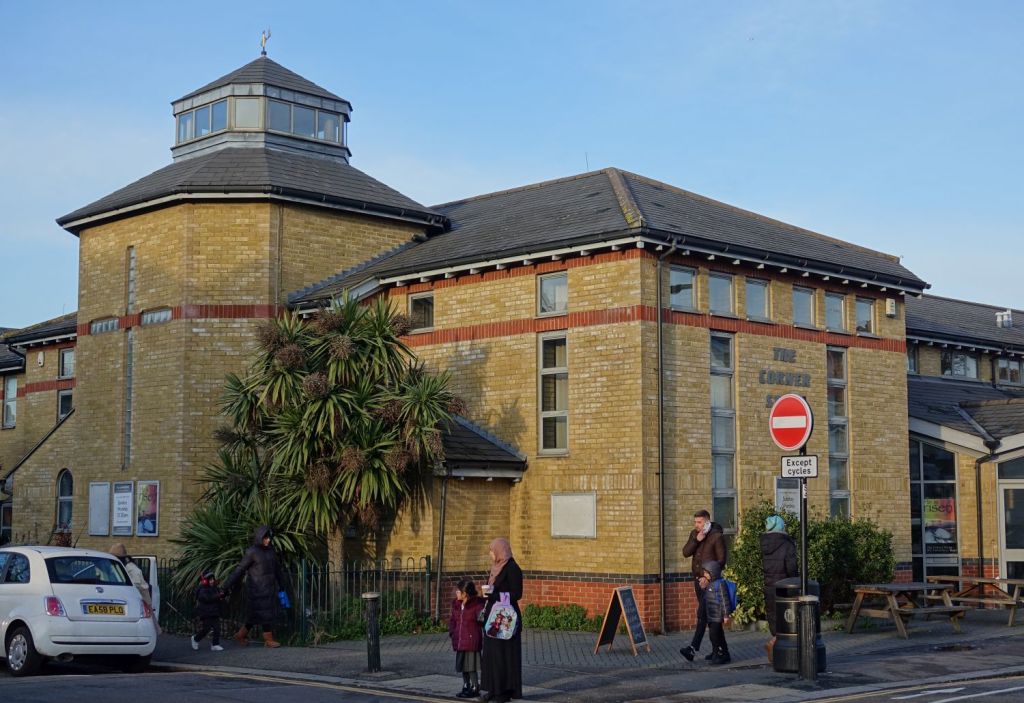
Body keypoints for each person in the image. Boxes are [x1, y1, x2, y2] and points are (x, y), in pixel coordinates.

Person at [221, 525, 288, 648]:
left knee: (254, 616)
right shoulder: (252, 552)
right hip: (257, 590)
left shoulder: (271, 550)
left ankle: (240, 635)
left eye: (269, 537)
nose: (268, 540)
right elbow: (239, 570)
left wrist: (282, 585)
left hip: (269, 588)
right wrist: (226, 587)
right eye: (265, 538)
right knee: (264, 614)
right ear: (259, 537)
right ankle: (269, 640)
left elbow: (277, 569)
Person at [679, 509, 727, 662]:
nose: (696, 525)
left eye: (699, 522)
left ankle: (694, 649)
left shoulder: (716, 536)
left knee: (705, 615)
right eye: (695, 522)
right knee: (709, 616)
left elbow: (721, 561)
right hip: (698, 582)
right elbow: (685, 552)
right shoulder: (695, 534)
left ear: (707, 522)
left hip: (711, 583)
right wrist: (696, 540)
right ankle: (720, 651)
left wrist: (708, 576)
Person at [480, 538, 523, 703]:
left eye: (492, 550)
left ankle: (504, 692)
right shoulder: (495, 568)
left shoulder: (512, 568)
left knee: (503, 656)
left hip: (506, 620)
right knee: (491, 655)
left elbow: (517, 593)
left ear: (500, 551)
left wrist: (496, 595)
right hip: (493, 619)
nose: (490, 554)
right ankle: (493, 689)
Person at [760, 514, 798, 662]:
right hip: (784, 586)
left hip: (769, 585)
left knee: (773, 614)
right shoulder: (787, 544)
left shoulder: (765, 544)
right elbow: (791, 567)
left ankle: (774, 643)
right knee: (787, 617)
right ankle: (775, 644)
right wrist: (795, 581)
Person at [109, 543, 161, 635]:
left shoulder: (131, 567)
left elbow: (137, 584)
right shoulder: (121, 566)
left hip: (141, 596)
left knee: (146, 620)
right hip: (134, 596)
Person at [448, 579, 485, 699]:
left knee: (471, 666)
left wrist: (483, 613)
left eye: (459, 591)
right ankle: (466, 685)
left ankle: (475, 687)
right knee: (463, 665)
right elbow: (453, 620)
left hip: (471, 640)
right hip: (460, 640)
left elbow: (481, 620)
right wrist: (452, 632)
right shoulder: (456, 604)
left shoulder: (476, 604)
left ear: (465, 593)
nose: (456, 593)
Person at [700, 560, 733, 665]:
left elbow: (724, 600)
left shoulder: (720, 584)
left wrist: (726, 615)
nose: (704, 574)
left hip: (717, 616)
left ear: (713, 572)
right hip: (711, 615)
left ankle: (717, 653)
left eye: (706, 572)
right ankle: (723, 653)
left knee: (714, 635)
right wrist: (703, 588)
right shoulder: (710, 584)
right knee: (719, 635)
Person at [191, 569, 225, 651]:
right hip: (206, 612)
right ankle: (195, 639)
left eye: (213, 579)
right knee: (206, 629)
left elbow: (218, 597)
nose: (212, 581)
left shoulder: (214, 588)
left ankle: (215, 644)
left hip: (214, 611)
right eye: (210, 580)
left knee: (217, 628)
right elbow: (207, 598)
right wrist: (218, 596)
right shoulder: (202, 589)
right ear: (205, 581)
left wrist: (223, 595)